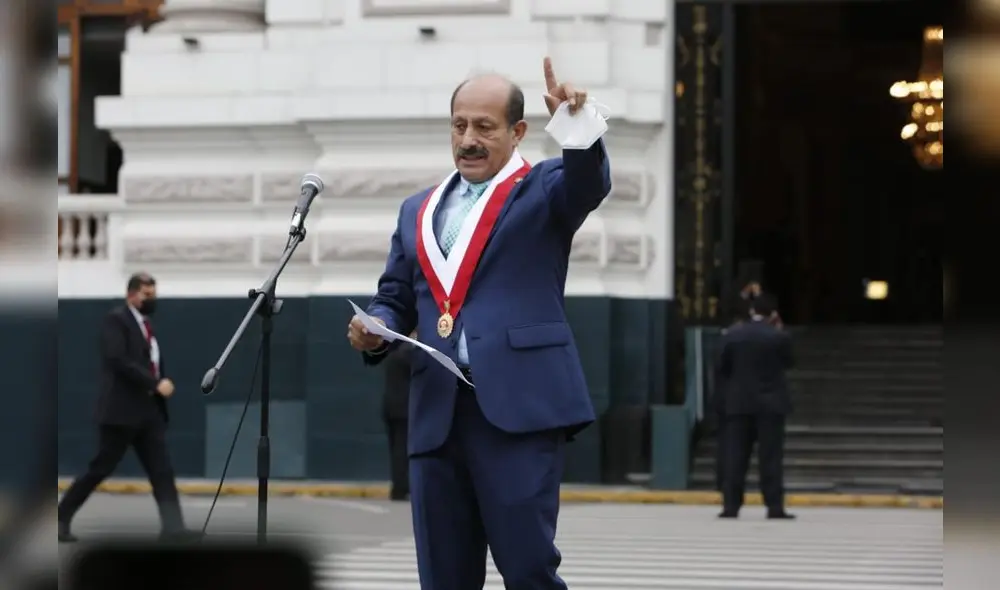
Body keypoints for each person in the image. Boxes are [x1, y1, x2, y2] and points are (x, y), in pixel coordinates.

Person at [346, 58, 611, 590]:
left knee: (529, 569)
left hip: (518, 410)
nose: (468, 139)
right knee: (443, 577)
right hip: (437, 413)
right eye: (459, 125)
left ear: (517, 133)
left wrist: (577, 128)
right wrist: (375, 324)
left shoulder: (543, 190)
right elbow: (396, 294)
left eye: (484, 128)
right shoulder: (416, 210)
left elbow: (588, 184)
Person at [58, 273, 196, 542]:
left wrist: (156, 389)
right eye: (147, 294)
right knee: (99, 468)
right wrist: (156, 383)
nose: (152, 299)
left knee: (162, 471)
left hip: (147, 412)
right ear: (131, 294)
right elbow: (118, 359)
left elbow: (149, 361)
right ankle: (61, 518)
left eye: (154, 294)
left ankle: (173, 528)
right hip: (120, 413)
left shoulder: (146, 326)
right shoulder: (117, 320)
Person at [715, 293, 795, 519]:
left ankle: (731, 506)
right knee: (770, 457)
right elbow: (789, 363)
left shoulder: (733, 335)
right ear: (773, 314)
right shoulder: (779, 337)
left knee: (735, 456)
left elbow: (722, 365)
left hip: (738, 404)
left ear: (751, 311)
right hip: (771, 405)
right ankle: (774, 506)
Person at [382, 340, 413, 501]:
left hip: (391, 407)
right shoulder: (407, 352)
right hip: (404, 409)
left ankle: (398, 487)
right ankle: (401, 488)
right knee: (402, 451)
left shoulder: (392, 352)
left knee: (395, 449)